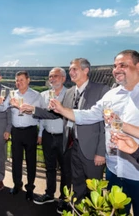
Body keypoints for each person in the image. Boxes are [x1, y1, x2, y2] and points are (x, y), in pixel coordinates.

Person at [47, 50, 139, 215]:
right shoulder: (111, 95)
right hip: (114, 168)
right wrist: (61, 109)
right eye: (115, 66)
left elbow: (104, 127)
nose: (116, 69)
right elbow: (89, 115)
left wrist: (119, 126)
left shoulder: (101, 90)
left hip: (136, 171)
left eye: (123, 65)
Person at [21, 58, 108, 213]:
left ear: (86, 70)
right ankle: (77, 210)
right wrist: (32, 109)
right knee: (78, 185)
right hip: (72, 145)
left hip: (91, 149)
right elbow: (56, 114)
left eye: (75, 69)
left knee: (94, 189)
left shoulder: (101, 90)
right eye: (70, 69)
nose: (71, 72)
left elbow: (104, 123)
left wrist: (101, 152)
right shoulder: (70, 92)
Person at [0, 71, 44, 199]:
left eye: (21, 80)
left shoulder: (36, 96)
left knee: (31, 162)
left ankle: (30, 188)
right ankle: (17, 185)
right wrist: (0, 103)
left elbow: (42, 116)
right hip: (16, 132)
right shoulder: (12, 94)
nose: (18, 83)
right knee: (16, 161)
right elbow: (2, 109)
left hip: (30, 131)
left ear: (28, 80)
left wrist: (40, 134)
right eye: (17, 80)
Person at [32, 67, 71, 205]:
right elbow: (42, 117)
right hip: (48, 136)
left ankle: (64, 199)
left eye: (55, 76)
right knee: (50, 167)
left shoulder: (70, 94)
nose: (52, 79)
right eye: (50, 77)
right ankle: (49, 194)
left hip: (64, 137)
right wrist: (41, 134)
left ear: (63, 78)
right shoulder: (44, 95)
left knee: (66, 169)